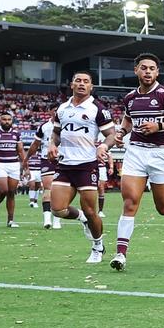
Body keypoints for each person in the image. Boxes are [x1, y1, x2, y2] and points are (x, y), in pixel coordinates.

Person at [110, 53, 164, 271]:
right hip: (135, 153)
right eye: (144, 68)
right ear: (136, 70)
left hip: (159, 154)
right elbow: (128, 119)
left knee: (163, 207)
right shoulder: (130, 98)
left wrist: (160, 126)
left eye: (152, 68)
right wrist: (121, 131)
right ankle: (120, 254)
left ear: (157, 72)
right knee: (130, 202)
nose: (148, 71)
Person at [46, 71, 118, 262]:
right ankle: (82, 219)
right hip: (65, 165)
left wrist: (103, 145)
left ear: (91, 87)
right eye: (78, 80)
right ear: (72, 84)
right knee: (57, 209)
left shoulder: (98, 109)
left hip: (87, 165)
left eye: (86, 81)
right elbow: (56, 133)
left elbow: (111, 134)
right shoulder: (62, 108)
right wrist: (52, 144)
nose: (81, 84)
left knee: (90, 210)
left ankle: (97, 246)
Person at [0, 111, 27, 227]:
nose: (7, 121)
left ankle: (10, 221)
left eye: (9, 119)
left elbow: (21, 151)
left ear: (12, 121)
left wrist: (26, 166)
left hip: (14, 165)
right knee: (3, 190)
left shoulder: (16, 134)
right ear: (0, 120)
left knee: (12, 193)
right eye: (4, 119)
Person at [26, 118, 61, 228]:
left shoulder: (66, 123)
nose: (56, 112)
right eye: (54, 110)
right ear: (50, 112)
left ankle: (57, 219)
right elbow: (35, 144)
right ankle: (47, 219)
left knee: (60, 189)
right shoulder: (44, 127)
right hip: (47, 159)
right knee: (48, 188)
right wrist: (26, 158)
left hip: (63, 159)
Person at [96, 138, 113, 218]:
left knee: (101, 188)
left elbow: (109, 156)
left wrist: (111, 167)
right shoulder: (88, 143)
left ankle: (100, 210)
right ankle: (90, 209)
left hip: (101, 168)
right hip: (90, 168)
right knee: (90, 189)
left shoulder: (103, 145)